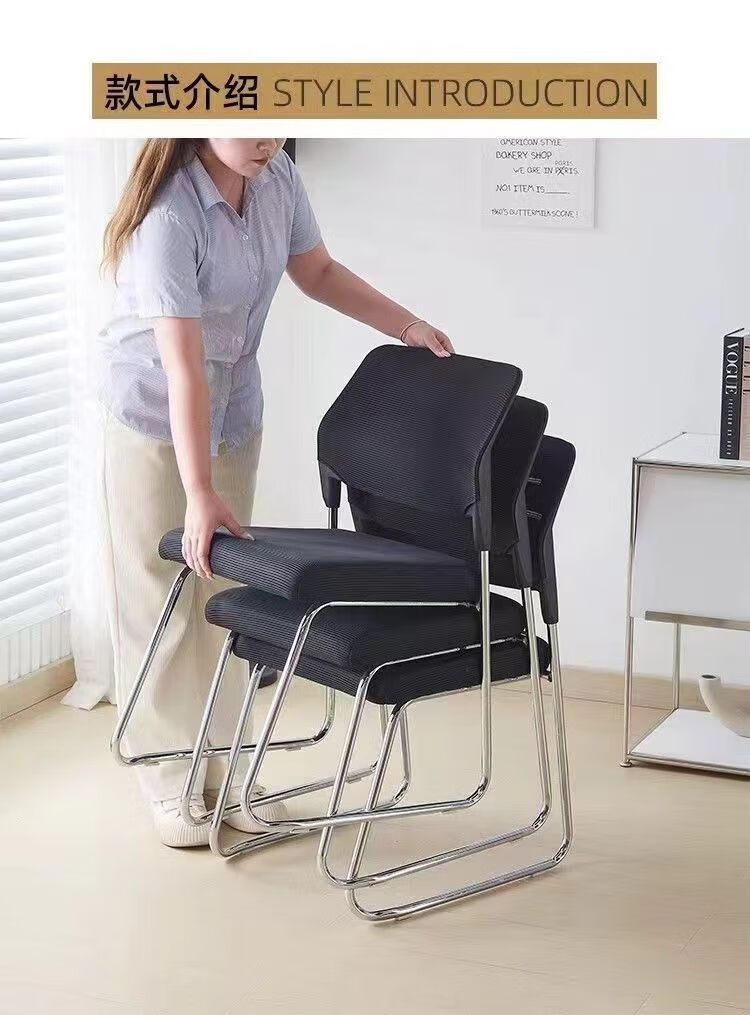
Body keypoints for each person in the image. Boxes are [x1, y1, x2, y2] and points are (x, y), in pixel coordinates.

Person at [98, 137, 455, 847]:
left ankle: (231, 772)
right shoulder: (169, 215)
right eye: (251, 118)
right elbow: (182, 368)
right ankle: (168, 778)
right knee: (159, 600)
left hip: (233, 413)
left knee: (224, 599)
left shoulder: (277, 177)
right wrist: (199, 489)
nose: (270, 136)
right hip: (154, 421)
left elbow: (316, 270)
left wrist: (406, 325)